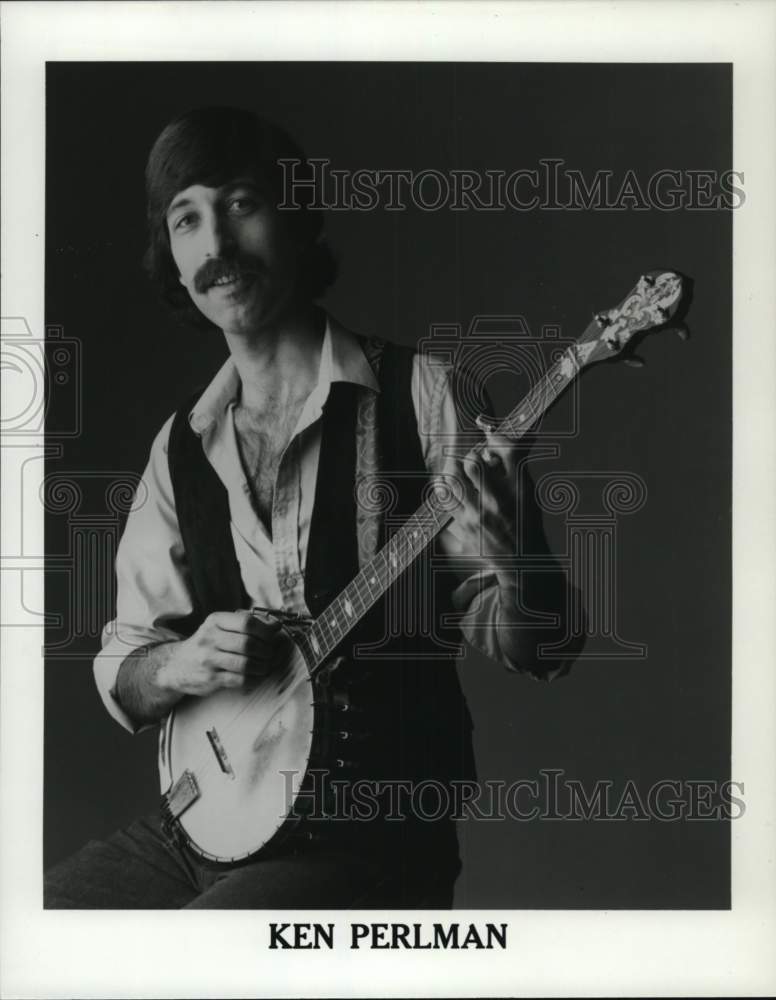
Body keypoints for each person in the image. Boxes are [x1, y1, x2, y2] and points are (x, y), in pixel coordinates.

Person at [44, 107, 581, 909]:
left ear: (294, 217)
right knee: (42, 931)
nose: (217, 246)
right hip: (201, 828)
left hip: (371, 843)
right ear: (173, 256)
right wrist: (182, 663)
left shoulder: (420, 397)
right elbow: (125, 672)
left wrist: (522, 559)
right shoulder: (179, 449)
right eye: (187, 219)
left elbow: (534, 646)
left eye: (240, 204)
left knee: (193, 958)